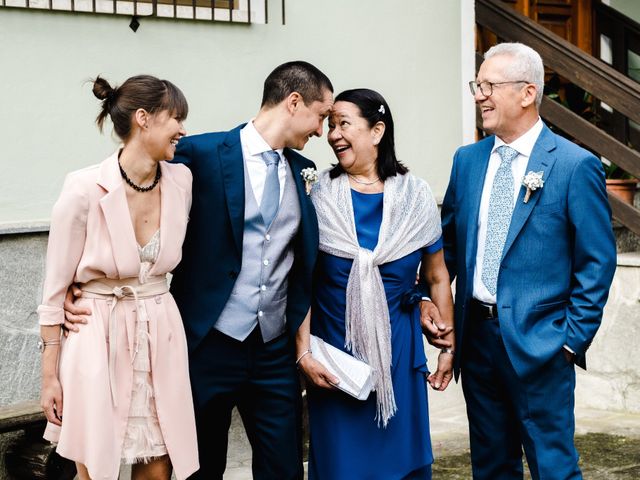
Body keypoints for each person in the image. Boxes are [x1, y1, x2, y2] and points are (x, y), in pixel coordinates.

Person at [63, 61, 332, 479]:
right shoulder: (201, 154)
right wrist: (81, 282)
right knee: (199, 467)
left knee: (283, 468)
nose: (321, 131)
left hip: (272, 350)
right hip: (207, 343)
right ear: (294, 102)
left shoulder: (305, 174)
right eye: (321, 115)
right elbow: (127, 177)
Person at [442, 42, 617, 479]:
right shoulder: (467, 161)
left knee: (553, 467)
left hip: (542, 346)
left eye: (489, 85)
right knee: (491, 467)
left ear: (527, 93)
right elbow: (447, 247)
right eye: (476, 85)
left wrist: (569, 341)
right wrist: (432, 301)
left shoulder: (576, 166)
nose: (479, 94)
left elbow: (597, 262)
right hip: (477, 341)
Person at [38, 75, 199, 479]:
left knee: (161, 465)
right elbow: (54, 292)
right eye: (176, 118)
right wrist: (49, 379)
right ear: (143, 119)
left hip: (160, 333)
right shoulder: (83, 188)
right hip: (97, 334)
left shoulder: (181, 181)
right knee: (95, 465)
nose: (183, 129)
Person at [296, 88, 455, 480]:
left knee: (398, 463)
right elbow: (300, 281)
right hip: (335, 356)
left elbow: (436, 276)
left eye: (343, 124)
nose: (333, 134)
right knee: (341, 467)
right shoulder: (318, 196)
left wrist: (449, 346)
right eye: (330, 125)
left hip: (398, 356)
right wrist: (302, 354)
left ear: (377, 130)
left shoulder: (414, 196)